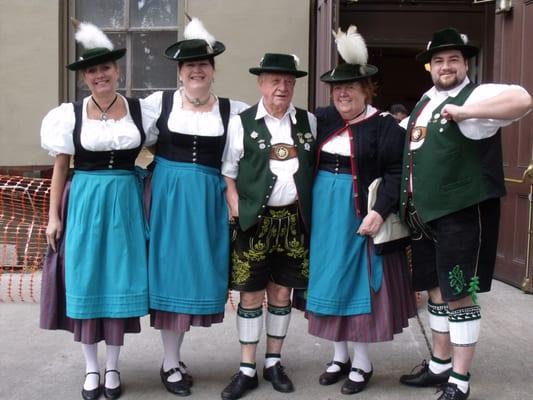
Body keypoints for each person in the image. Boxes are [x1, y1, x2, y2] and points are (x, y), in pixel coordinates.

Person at [398, 27, 532, 400]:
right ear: (429, 66)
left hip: (461, 213)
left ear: (466, 63)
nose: (446, 66)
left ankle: (459, 378)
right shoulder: (425, 102)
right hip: (425, 216)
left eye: (453, 59)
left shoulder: (477, 96)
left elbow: (523, 100)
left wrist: (468, 111)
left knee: (459, 294)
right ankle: (440, 365)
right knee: (437, 290)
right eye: (438, 60)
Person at [40, 20, 156, 400]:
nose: (99, 75)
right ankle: (91, 368)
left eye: (105, 68)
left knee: (120, 278)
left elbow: (161, 154)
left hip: (125, 202)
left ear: (117, 71)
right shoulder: (69, 115)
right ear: (85, 77)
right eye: (92, 70)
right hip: (85, 201)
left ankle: (113, 367)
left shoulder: (140, 112)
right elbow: (60, 166)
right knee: (86, 277)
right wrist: (54, 216)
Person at [306, 26, 416, 396]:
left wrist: (381, 212)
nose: (343, 94)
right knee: (328, 282)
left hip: (360, 215)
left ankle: (362, 362)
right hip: (324, 216)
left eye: (351, 88)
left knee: (358, 287)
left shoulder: (386, 127)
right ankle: (339, 357)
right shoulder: (322, 120)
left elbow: (396, 172)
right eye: (338, 89)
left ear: (367, 90)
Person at [141, 17, 248, 397]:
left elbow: (253, 149)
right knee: (169, 274)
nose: (196, 70)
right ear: (180, 72)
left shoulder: (233, 111)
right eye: (189, 66)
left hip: (208, 200)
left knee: (196, 273)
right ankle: (170, 362)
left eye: (203, 64)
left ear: (213, 70)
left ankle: (181, 359)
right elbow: (134, 136)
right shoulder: (160, 104)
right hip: (169, 198)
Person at [220, 53, 317, 400]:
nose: (282, 87)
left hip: (294, 221)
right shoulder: (242, 122)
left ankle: (273, 362)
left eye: (289, 81)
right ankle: (247, 368)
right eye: (275, 80)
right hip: (254, 222)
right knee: (250, 294)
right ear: (261, 83)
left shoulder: (308, 122)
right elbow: (228, 172)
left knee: (281, 293)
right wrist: (234, 204)